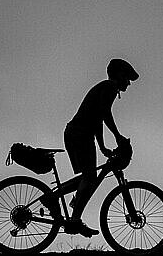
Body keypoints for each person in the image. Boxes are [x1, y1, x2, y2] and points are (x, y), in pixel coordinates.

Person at [42, 58, 139, 237]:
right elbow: (103, 113)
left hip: (79, 133)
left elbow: (97, 119)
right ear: (119, 75)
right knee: (89, 176)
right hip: (79, 133)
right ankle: (74, 220)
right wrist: (117, 137)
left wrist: (102, 146)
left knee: (89, 177)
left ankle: (55, 200)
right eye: (127, 78)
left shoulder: (106, 88)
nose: (129, 83)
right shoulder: (109, 87)